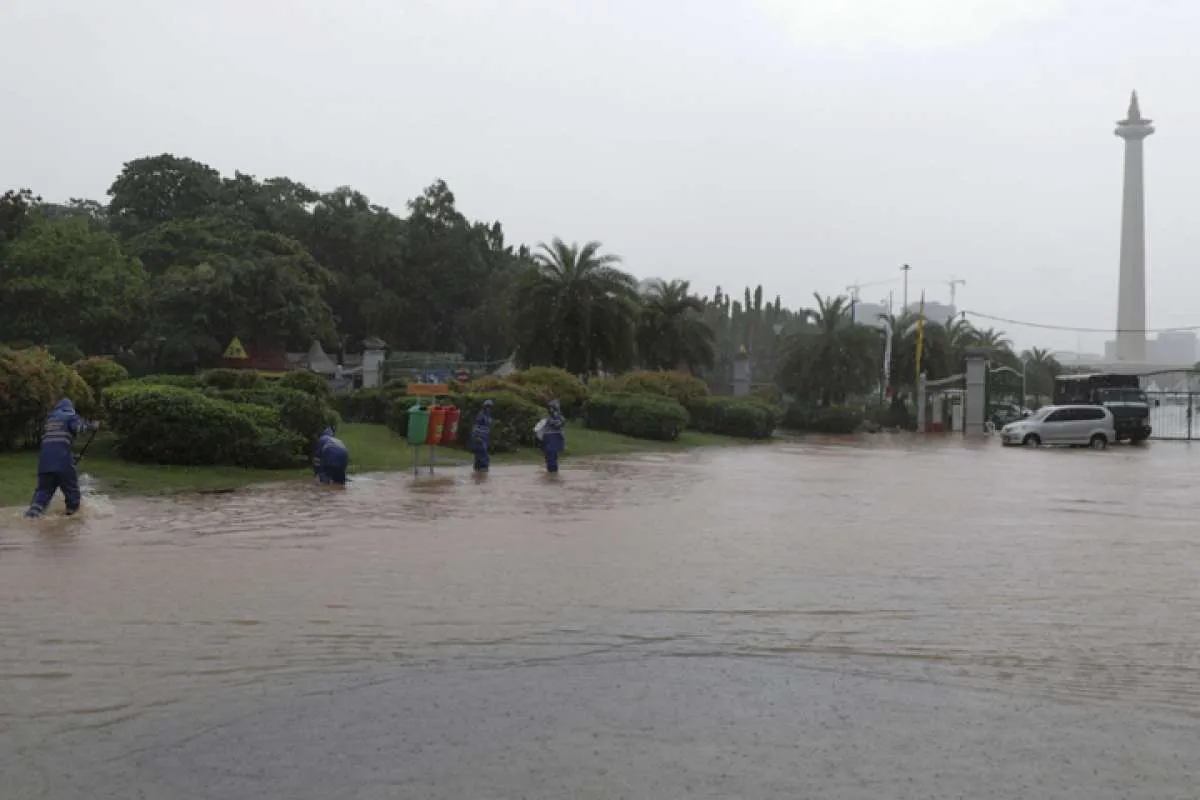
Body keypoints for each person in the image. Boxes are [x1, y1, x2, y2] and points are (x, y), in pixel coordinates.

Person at [25, 398, 88, 518]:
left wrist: (73, 457)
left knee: (43, 491)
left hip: (44, 463)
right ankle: (71, 516)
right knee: (72, 491)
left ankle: (32, 515)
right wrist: (92, 425)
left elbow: (54, 444)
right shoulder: (71, 415)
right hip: (63, 462)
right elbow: (79, 428)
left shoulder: (50, 420)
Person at [541, 399, 566, 473]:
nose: (551, 409)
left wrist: (553, 421)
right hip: (550, 437)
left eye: (552, 407)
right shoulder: (549, 416)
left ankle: (552, 471)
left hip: (554, 437)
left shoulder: (557, 416)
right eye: (550, 407)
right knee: (550, 455)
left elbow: (559, 424)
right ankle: (552, 471)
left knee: (552, 455)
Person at [470, 399, 493, 472]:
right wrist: (476, 436)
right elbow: (476, 426)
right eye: (487, 406)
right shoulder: (481, 415)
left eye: (490, 407)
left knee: (482, 454)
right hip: (479, 438)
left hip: (485, 438)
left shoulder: (487, 416)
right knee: (481, 454)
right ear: (484, 407)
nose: (488, 408)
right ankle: (481, 469)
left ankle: (480, 471)